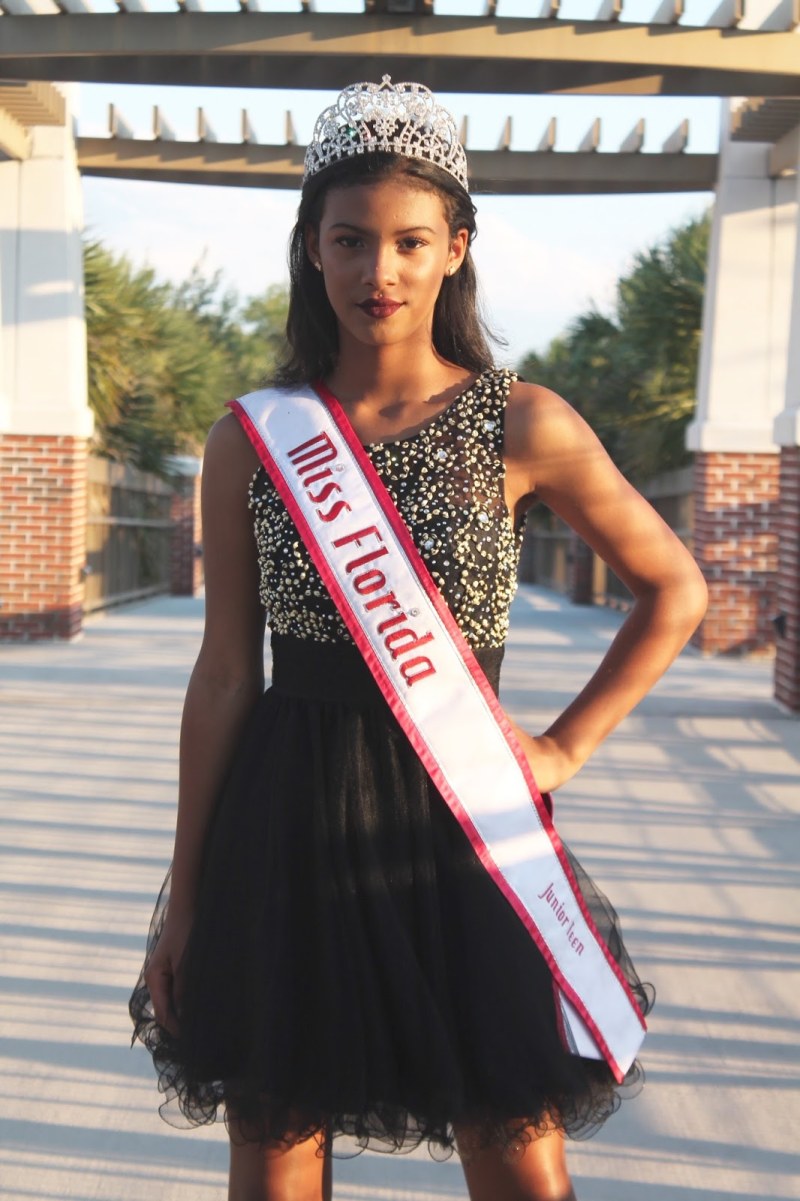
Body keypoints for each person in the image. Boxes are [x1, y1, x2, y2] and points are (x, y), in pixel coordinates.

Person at [129, 77, 708, 1201]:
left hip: (461, 820)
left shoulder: (523, 422)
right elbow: (219, 677)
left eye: (405, 241)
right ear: (310, 249)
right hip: (285, 811)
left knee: (516, 1145)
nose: (375, 272)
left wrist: (562, 749)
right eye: (347, 241)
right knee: (275, 1144)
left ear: (455, 248)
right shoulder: (253, 440)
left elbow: (670, 588)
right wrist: (188, 890)